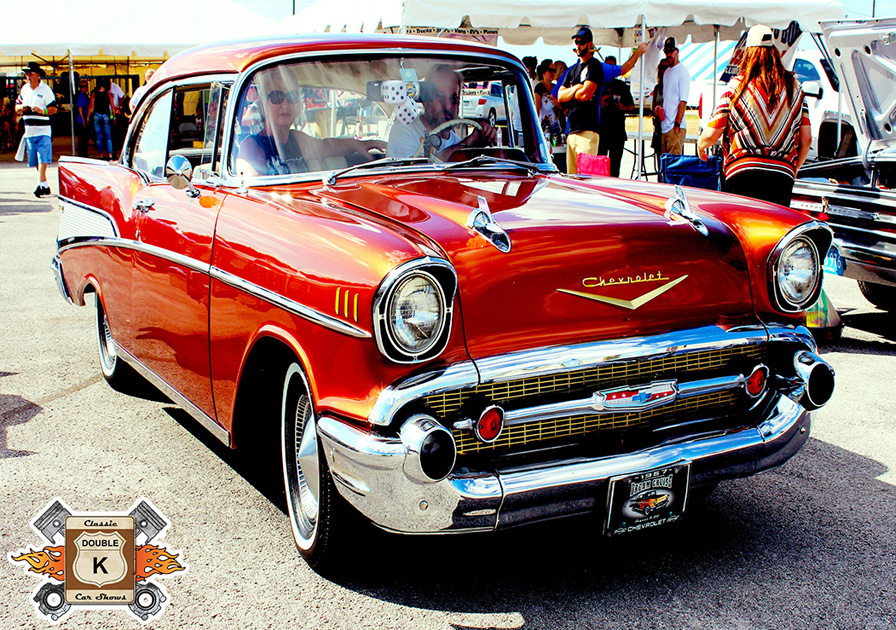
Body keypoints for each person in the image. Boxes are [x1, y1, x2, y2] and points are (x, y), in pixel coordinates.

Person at [697, 24, 812, 206]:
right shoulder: (795, 88)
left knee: (742, 223)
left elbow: (712, 132)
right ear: (774, 52)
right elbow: (807, 139)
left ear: (748, 53)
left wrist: (701, 145)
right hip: (782, 176)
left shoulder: (737, 87)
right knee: (775, 224)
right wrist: (795, 167)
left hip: (742, 172)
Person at [236, 68, 386, 176]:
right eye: (276, 97)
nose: (285, 104)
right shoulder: (252, 147)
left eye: (292, 96)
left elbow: (326, 146)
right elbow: (253, 193)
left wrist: (357, 144)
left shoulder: (297, 139)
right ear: (263, 103)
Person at [558, 26, 648, 174]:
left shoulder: (596, 66)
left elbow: (585, 94)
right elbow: (560, 96)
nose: (578, 45)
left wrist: (637, 53)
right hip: (572, 130)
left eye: (581, 42)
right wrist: (578, 88)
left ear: (590, 44)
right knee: (572, 178)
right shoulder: (572, 70)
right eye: (576, 42)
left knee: (588, 176)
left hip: (589, 129)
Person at [387, 64, 497, 160]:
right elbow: (419, 175)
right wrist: (465, 145)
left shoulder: (456, 142)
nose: (448, 106)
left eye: (453, 99)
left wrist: (480, 144)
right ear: (425, 99)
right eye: (440, 97)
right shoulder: (404, 131)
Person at [15, 62, 57, 197]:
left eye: (30, 73)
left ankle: (40, 184)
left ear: (37, 75)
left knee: (42, 158)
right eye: (26, 74)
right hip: (29, 130)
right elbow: (17, 107)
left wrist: (43, 111)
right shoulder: (24, 89)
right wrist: (23, 108)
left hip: (43, 129)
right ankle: (45, 184)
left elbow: (54, 108)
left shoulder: (46, 90)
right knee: (35, 161)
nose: (27, 76)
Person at [598, 56, 634, 177]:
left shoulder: (621, 85)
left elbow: (631, 106)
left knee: (615, 166)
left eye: (612, 67)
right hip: (601, 132)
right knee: (600, 165)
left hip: (617, 132)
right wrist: (599, 103)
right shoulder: (598, 84)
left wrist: (622, 107)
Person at [659, 37, 690, 155]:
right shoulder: (667, 72)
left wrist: (677, 125)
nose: (668, 55)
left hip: (675, 127)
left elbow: (683, 101)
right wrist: (659, 109)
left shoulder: (683, 72)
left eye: (671, 51)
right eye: (666, 52)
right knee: (664, 162)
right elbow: (666, 98)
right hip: (665, 126)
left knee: (673, 161)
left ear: (677, 51)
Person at [88, 78, 116, 160]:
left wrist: (88, 116)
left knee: (99, 137)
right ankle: (110, 154)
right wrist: (114, 116)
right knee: (108, 137)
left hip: (97, 116)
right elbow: (112, 106)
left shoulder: (94, 93)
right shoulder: (108, 93)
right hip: (106, 115)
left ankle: (101, 154)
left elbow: (91, 106)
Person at [534, 59, 562, 138]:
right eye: (550, 71)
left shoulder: (556, 87)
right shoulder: (539, 88)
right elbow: (537, 110)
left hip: (557, 130)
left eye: (554, 70)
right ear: (543, 72)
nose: (553, 73)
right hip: (544, 131)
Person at [75, 79, 91, 157]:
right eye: (84, 86)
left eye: (86, 86)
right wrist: (83, 120)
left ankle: (84, 152)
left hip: (86, 116)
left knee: (86, 137)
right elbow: (80, 108)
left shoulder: (86, 96)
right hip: (82, 118)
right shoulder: (81, 97)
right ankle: (82, 153)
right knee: (83, 138)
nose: (85, 88)